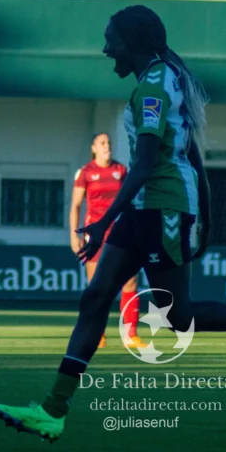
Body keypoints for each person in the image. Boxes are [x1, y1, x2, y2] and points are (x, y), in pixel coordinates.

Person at [0, 5, 226, 442]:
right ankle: (53, 410)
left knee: (177, 317)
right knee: (95, 297)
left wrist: (102, 223)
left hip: (162, 207)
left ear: (133, 43)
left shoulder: (154, 85)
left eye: (110, 40)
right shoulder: (160, 80)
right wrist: (206, 214)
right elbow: (190, 154)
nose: (105, 49)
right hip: (149, 207)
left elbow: (149, 162)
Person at [69, 133, 142, 349]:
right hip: (95, 234)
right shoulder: (85, 172)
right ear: (93, 148)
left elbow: (131, 201)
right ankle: (97, 334)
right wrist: (74, 236)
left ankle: (131, 335)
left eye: (109, 143)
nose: (107, 146)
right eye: (102, 143)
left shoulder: (120, 171)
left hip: (120, 232)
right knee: (97, 285)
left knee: (130, 282)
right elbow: (75, 205)